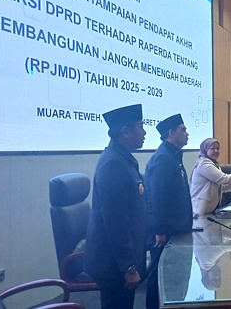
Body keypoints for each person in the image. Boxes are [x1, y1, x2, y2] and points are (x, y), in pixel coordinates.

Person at [84, 104, 147, 309]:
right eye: (140, 127)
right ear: (125, 132)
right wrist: (129, 267)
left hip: (120, 261)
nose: (144, 132)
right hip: (114, 264)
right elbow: (116, 222)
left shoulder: (122, 159)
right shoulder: (113, 164)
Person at [144, 114, 193, 309]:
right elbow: (157, 197)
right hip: (165, 231)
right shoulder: (163, 158)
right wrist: (159, 230)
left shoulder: (173, 155)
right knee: (159, 276)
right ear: (171, 133)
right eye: (183, 130)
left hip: (176, 228)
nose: (187, 134)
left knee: (173, 277)